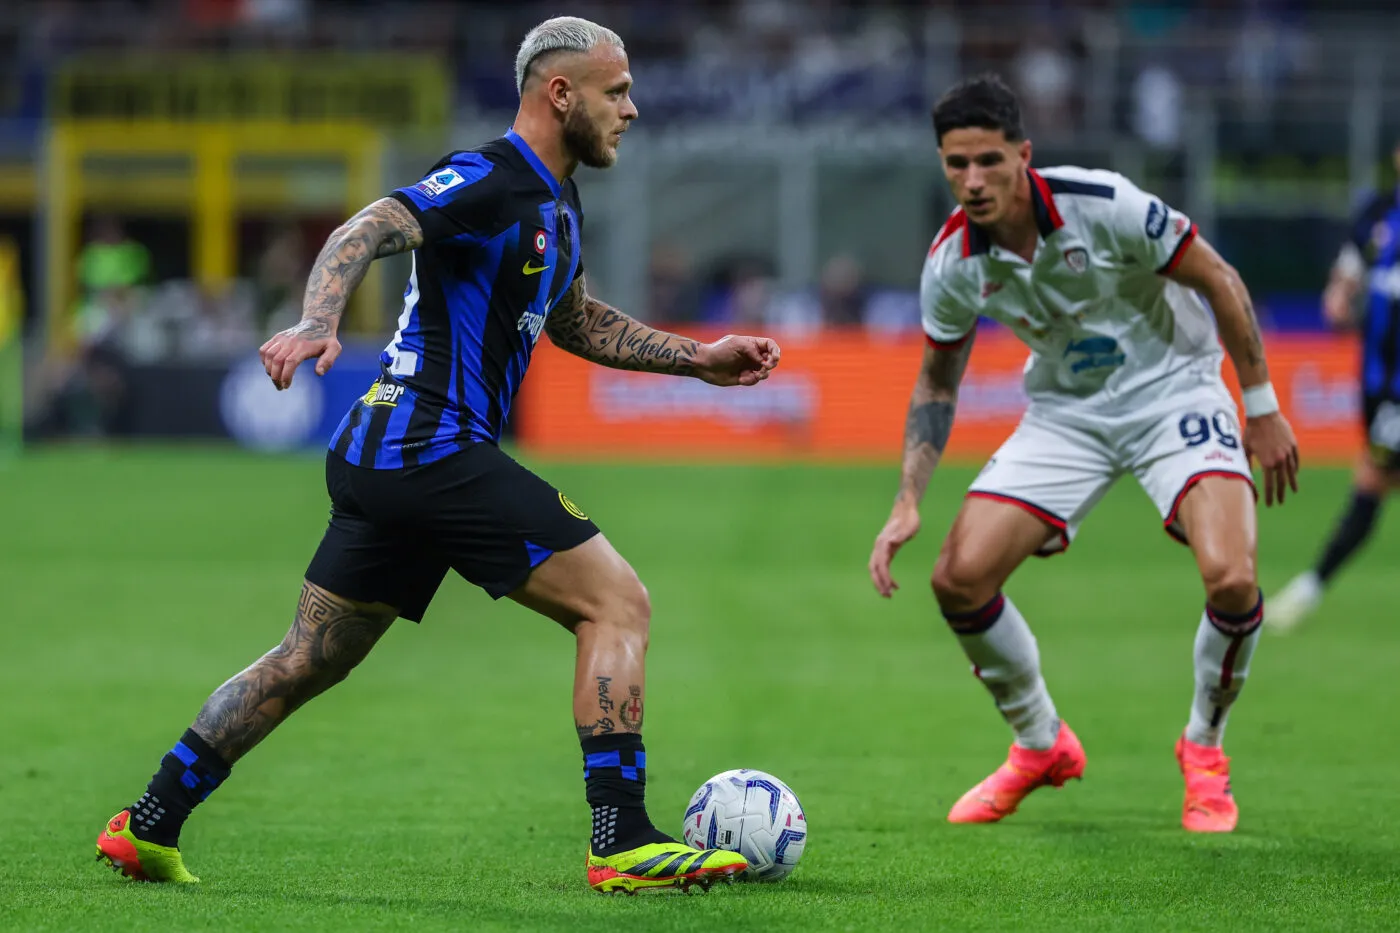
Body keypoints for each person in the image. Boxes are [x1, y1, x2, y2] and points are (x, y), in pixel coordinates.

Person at [95, 16, 779, 894]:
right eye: (617, 91)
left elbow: (573, 319)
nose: (633, 110)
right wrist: (318, 319)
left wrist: (696, 358)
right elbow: (373, 222)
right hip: (430, 441)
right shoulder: (494, 175)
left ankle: (147, 823)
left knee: (311, 657)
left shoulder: (558, 201)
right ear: (559, 93)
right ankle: (623, 836)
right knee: (616, 602)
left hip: (387, 453)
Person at [867, 75, 1299, 834]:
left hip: (1177, 391)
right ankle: (1040, 744)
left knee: (1231, 577)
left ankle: (1204, 749)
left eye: (989, 161)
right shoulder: (953, 262)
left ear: (1024, 156)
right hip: (1069, 411)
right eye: (955, 164)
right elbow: (938, 377)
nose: (972, 181)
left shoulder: (1104, 202)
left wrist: (1259, 404)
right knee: (958, 578)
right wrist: (908, 497)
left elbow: (1220, 279)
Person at [1268, 140, 1400, 632]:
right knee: (1376, 481)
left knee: (1371, 480)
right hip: (1376, 380)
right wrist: (1340, 294)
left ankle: (1309, 589)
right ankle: (1310, 587)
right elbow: (1349, 272)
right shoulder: (1378, 214)